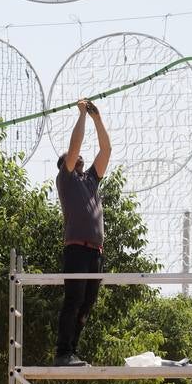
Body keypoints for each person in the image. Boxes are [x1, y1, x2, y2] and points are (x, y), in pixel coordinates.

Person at [54, 99, 111, 367]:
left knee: (87, 304)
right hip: (76, 248)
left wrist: (97, 119)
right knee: (74, 299)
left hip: (94, 251)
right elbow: (75, 146)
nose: (79, 156)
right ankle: (63, 351)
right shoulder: (65, 179)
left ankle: (72, 351)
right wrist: (82, 116)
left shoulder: (90, 180)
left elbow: (106, 150)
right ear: (65, 162)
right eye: (73, 156)